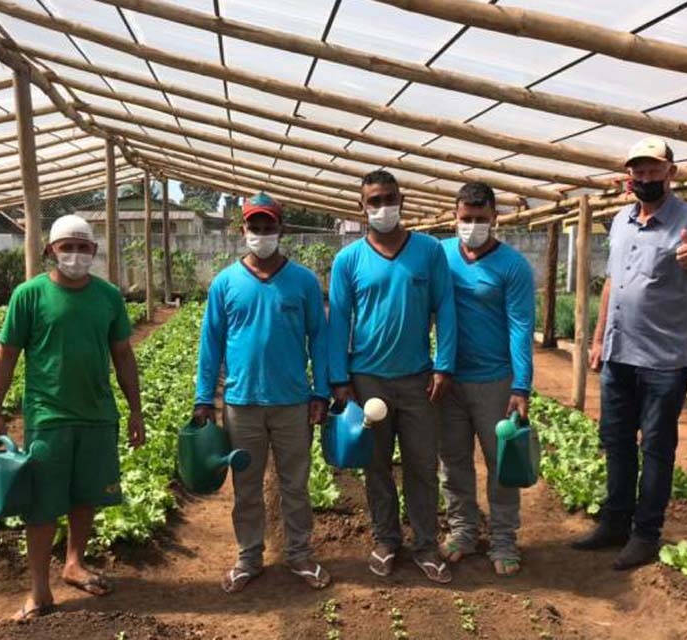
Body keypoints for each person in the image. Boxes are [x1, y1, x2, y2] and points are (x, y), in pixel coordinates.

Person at [572, 137, 687, 569]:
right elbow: (611, 282)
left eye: (652, 169)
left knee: (657, 449)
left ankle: (646, 533)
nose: (644, 178)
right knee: (616, 441)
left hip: (664, 361)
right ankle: (614, 523)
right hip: (619, 354)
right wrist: (598, 339)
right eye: (638, 171)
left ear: (671, 172)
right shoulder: (622, 220)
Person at [0, 214, 145, 620]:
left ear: (93, 250)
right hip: (48, 416)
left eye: (82, 246)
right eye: (66, 246)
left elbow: (123, 354)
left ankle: (74, 563)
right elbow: (5, 356)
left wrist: (135, 409)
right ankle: (39, 590)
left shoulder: (108, 297)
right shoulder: (30, 295)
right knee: (42, 504)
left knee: (85, 496)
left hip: (97, 415)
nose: (74, 254)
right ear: (51, 250)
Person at [194, 192, 331, 594]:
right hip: (242, 404)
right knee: (247, 487)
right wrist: (205, 397)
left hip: (292, 402)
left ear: (281, 229)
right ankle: (249, 557)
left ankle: (300, 553)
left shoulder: (303, 281)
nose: (262, 233)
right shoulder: (226, 283)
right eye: (255, 226)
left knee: (295, 484)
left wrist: (319, 392)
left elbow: (319, 340)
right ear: (243, 230)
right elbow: (211, 344)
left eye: (268, 226)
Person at [328, 169, 457, 584]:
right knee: (377, 465)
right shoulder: (349, 260)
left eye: (389, 198)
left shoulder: (428, 251)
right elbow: (339, 322)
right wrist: (339, 378)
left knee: (421, 463)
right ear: (361, 207)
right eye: (374, 201)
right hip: (368, 380)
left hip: (419, 378)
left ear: (401, 199)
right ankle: (386, 540)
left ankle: (424, 543)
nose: (383, 207)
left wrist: (444, 364)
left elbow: (447, 308)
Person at [437, 182, 534, 576]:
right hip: (448, 381)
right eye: (465, 219)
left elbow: (520, 326)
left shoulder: (512, 266)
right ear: (454, 217)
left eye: (480, 219)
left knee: (501, 463)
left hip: (495, 381)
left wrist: (520, 385)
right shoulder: (440, 255)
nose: (472, 226)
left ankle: (503, 538)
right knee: (453, 460)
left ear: (495, 218)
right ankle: (462, 530)